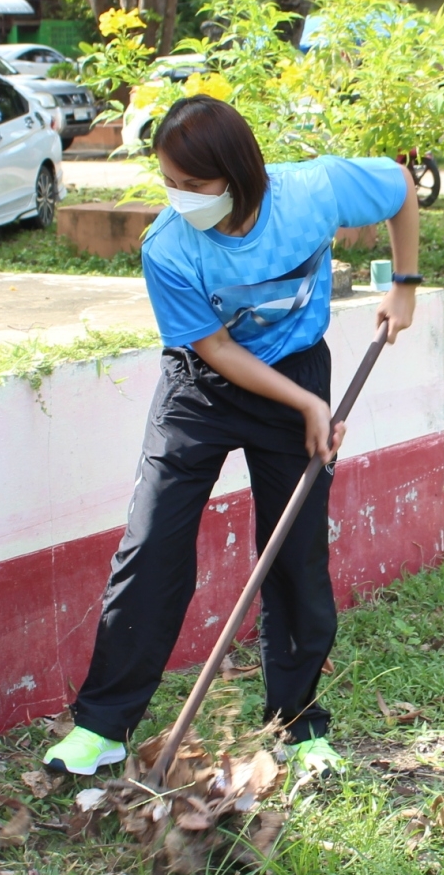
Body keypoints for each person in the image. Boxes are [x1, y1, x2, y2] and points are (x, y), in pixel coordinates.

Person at [43, 95, 421, 777]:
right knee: (152, 541)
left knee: (295, 552)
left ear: (239, 174)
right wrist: (308, 403)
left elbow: (400, 188)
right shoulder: (169, 245)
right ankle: (103, 727)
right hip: (203, 385)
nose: (180, 198)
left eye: (195, 185)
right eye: (170, 182)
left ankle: (298, 728)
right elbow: (214, 347)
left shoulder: (312, 192)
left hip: (295, 367)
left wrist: (406, 285)